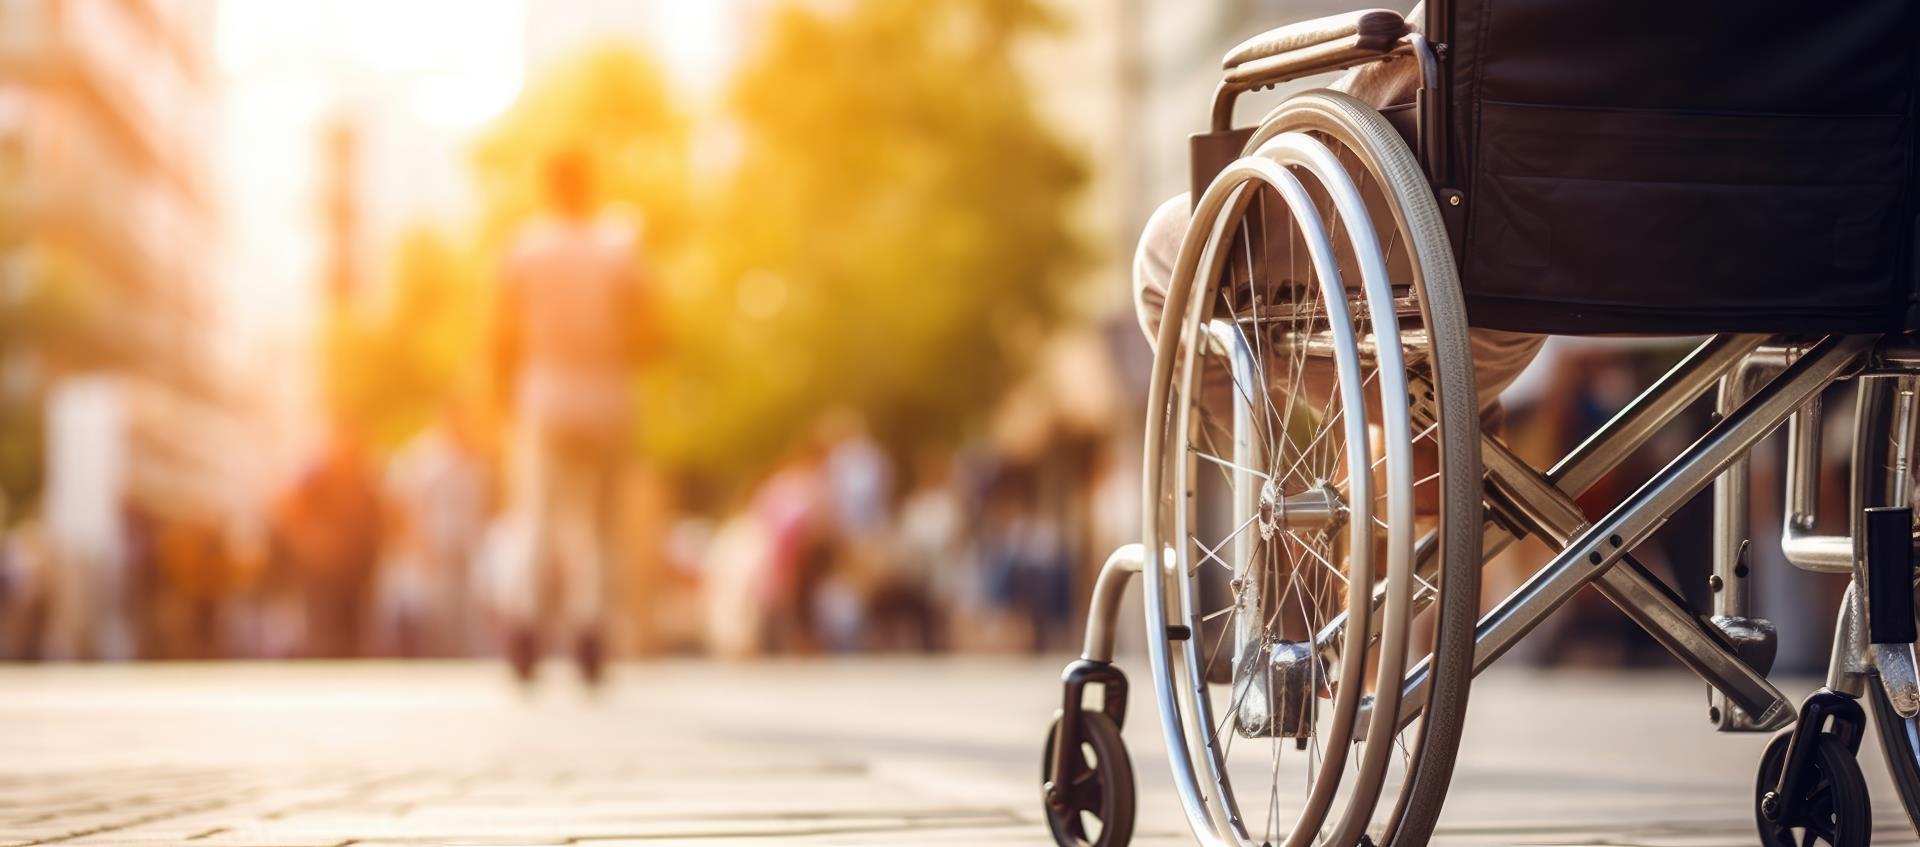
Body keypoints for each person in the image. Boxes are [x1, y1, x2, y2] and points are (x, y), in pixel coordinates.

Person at [1132, 6, 1546, 429]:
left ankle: (1283, 477)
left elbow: (1402, 75)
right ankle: (1416, 457)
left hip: (1426, 263)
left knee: (1160, 247)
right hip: (1543, 295)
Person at [492, 147, 654, 685]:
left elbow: (501, 330)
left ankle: (525, 625)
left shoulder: (528, 247)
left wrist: (502, 393)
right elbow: (653, 329)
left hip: (545, 395)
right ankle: (591, 630)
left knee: (536, 514)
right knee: (601, 526)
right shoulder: (617, 247)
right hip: (607, 397)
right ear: (589, 187)